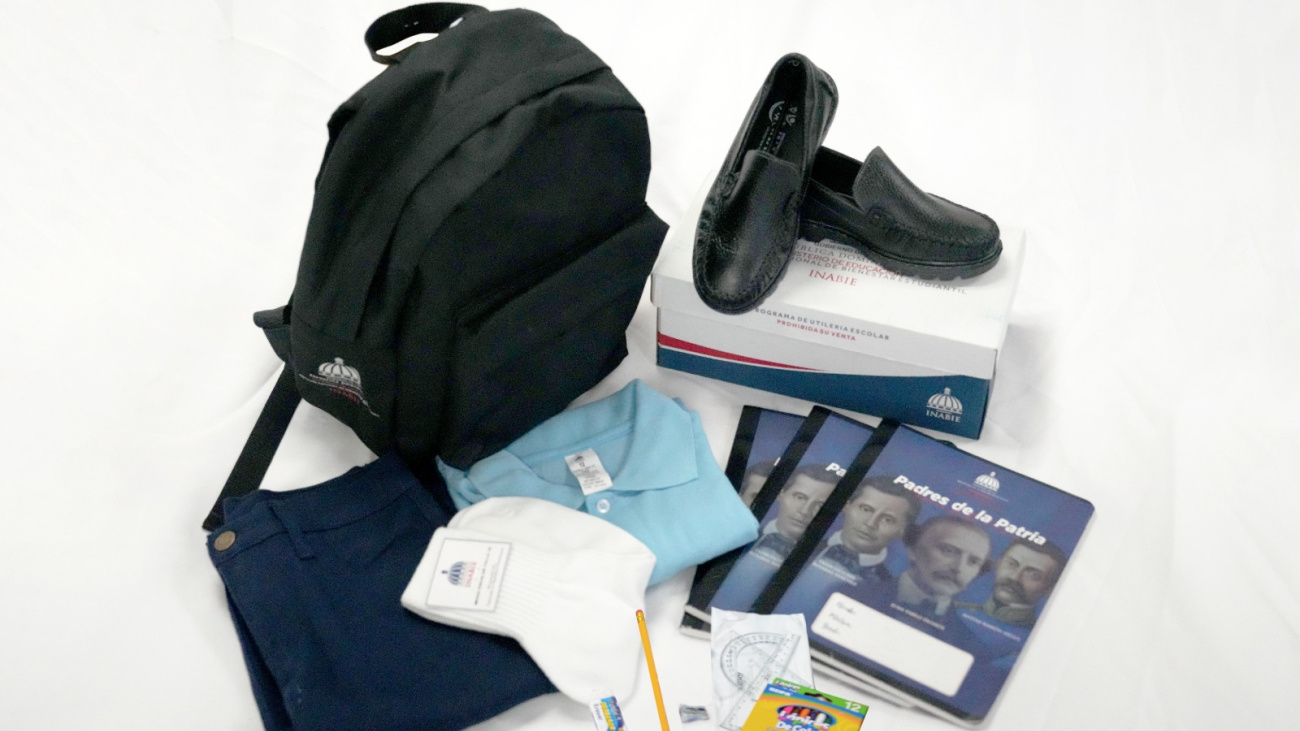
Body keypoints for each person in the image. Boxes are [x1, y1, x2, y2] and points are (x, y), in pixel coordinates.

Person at [889, 515, 992, 644]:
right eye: (949, 551)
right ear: (913, 549)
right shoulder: (866, 591)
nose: (959, 568)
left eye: (973, 562)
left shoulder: (971, 646)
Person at [815, 475, 922, 585]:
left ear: (903, 531)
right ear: (847, 506)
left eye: (887, 519)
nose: (870, 523)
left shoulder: (887, 587)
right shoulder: (806, 542)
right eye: (866, 509)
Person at [963, 538, 1065, 628]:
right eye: (1011, 564)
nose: (1014, 577)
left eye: (1033, 575)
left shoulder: (1041, 633)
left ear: (1050, 589)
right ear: (998, 564)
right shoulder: (959, 608)